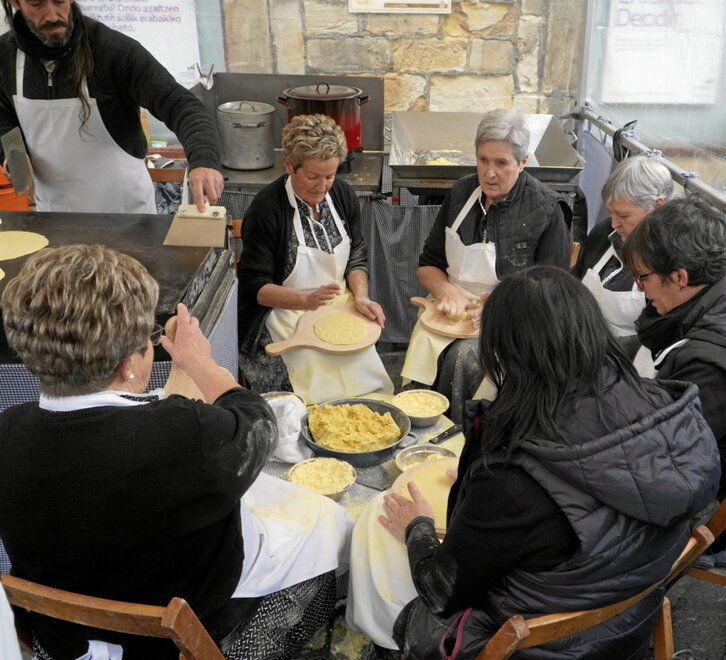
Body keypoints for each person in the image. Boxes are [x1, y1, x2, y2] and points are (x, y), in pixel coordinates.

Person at [0, 244, 352, 660]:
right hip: (181, 635)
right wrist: (198, 360)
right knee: (328, 524)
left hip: (61, 636)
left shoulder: (8, 430)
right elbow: (257, 420)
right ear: (129, 364)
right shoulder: (189, 436)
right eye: (148, 340)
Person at [347, 266, 720, 658]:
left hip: (542, 644)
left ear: (506, 354)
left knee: (379, 527)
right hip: (629, 618)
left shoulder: (512, 482)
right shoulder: (666, 405)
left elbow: (441, 590)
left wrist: (418, 528)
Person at [400, 108, 571, 423]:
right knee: (426, 345)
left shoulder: (546, 210)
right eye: (483, 160)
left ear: (523, 162)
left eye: (502, 163)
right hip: (452, 309)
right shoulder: (462, 192)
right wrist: (447, 292)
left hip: (517, 318)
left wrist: (500, 306)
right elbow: (428, 265)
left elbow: (554, 295)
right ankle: (423, 430)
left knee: (463, 357)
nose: (489, 174)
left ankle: (466, 438)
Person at [0, 0, 224, 213]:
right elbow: (2, 114)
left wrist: (204, 160)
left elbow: (180, 105)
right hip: (54, 214)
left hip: (127, 216)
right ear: (15, 3)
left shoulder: (112, 50)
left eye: (59, 1)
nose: (51, 15)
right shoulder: (5, 55)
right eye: (36, 4)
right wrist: (12, 155)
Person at [237, 114, 393, 404]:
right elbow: (254, 288)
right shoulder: (266, 211)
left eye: (330, 175)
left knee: (361, 363)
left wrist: (360, 296)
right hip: (281, 312)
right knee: (311, 366)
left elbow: (356, 255)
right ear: (288, 165)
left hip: (336, 302)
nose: (322, 186)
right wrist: (305, 302)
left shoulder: (343, 195)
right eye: (312, 176)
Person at [622, 196, 726, 564]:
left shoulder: (706, 362)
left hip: (700, 494)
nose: (638, 288)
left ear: (680, 277)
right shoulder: (707, 297)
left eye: (643, 277)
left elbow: (663, 464)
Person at [573, 155, 673, 342]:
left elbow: (660, 334)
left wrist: (605, 352)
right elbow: (574, 282)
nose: (614, 223)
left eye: (624, 216)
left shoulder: (670, 260)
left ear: (657, 206)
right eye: (611, 212)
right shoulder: (604, 232)